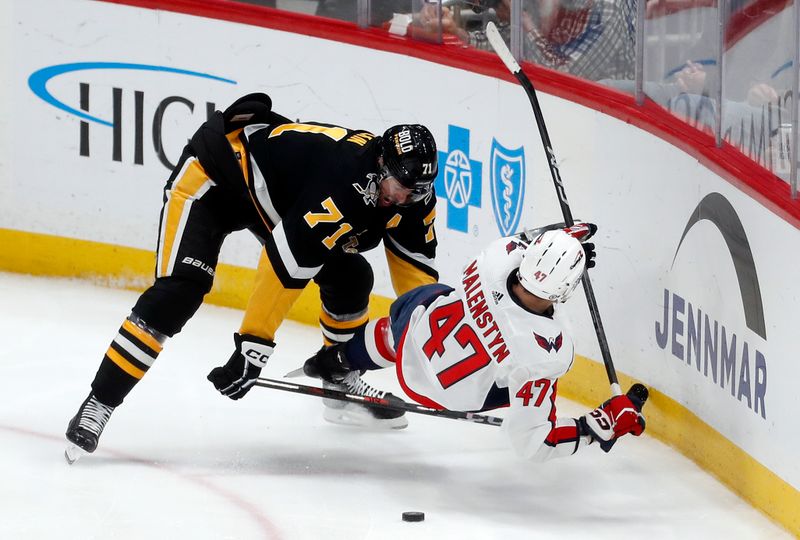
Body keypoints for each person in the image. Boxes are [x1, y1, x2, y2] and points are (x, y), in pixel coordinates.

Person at [65, 92, 440, 462]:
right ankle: (100, 402)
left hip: (272, 201)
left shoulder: (413, 198)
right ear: (380, 165)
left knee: (351, 276)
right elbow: (284, 265)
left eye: (416, 192)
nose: (404, 199)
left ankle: (338, 379)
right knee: (180, 292)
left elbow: (416, 274)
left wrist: (433, 331)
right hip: (216, 178)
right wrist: (252, 349)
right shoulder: (344, 181)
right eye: (399, 187)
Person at [303, 224, 647, 459]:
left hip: (413, 338)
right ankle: (536, 404)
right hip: (444, 394)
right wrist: (597, 425)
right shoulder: (547, 350)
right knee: (525, 378)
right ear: (569, 288)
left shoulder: (498, 254)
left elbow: (527, 240)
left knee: (432, 299)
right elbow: (535, 444)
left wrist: (560, 238)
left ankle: (340, 360)